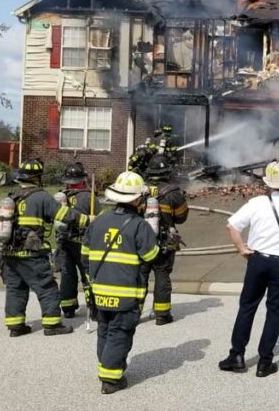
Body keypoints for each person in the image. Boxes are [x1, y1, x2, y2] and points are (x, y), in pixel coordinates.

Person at [219, 161, 279, 378]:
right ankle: (265, 362)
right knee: (275, 311)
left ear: (267, 182)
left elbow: (231, 225)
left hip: (258, 261)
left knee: (247, 307)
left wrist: (242, 248)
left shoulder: (257, 203)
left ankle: (237, 356)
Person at [83, 171, 160, 394]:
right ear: (136, 199)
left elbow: (84, 254)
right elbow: (150, 256)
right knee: (120, 332)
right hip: (125, 293)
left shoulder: (98, 221)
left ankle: (108, 367)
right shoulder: (138, 225)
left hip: (99, 290)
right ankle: (110, 379)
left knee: (105, 330)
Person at [0, 158, 84, 337]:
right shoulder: (42, 197)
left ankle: (16, 326)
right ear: (37, 178)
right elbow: (64, 215)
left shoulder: (12, 197)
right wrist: (86, 220)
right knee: (47, 287)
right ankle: (52, 325)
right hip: (32, 253)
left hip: (10, 254)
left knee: (16, 288)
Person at [143, 155, 189, 325]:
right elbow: (181, 217)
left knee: (140, 277)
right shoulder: (173, 193)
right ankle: (162, 315)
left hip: (141, 242)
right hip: (164, 242)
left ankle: (134, 312)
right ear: (166, 172)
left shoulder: (140, 189)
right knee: (162, 276)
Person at [56, 161, 97, 319]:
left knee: (67, 275)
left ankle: (68, 308)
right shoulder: (89, 197)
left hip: (65, 242)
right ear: (82, 180)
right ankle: (93, 308)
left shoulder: (61, 197)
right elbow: (98, 219)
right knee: (88, 275)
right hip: (84, 243)